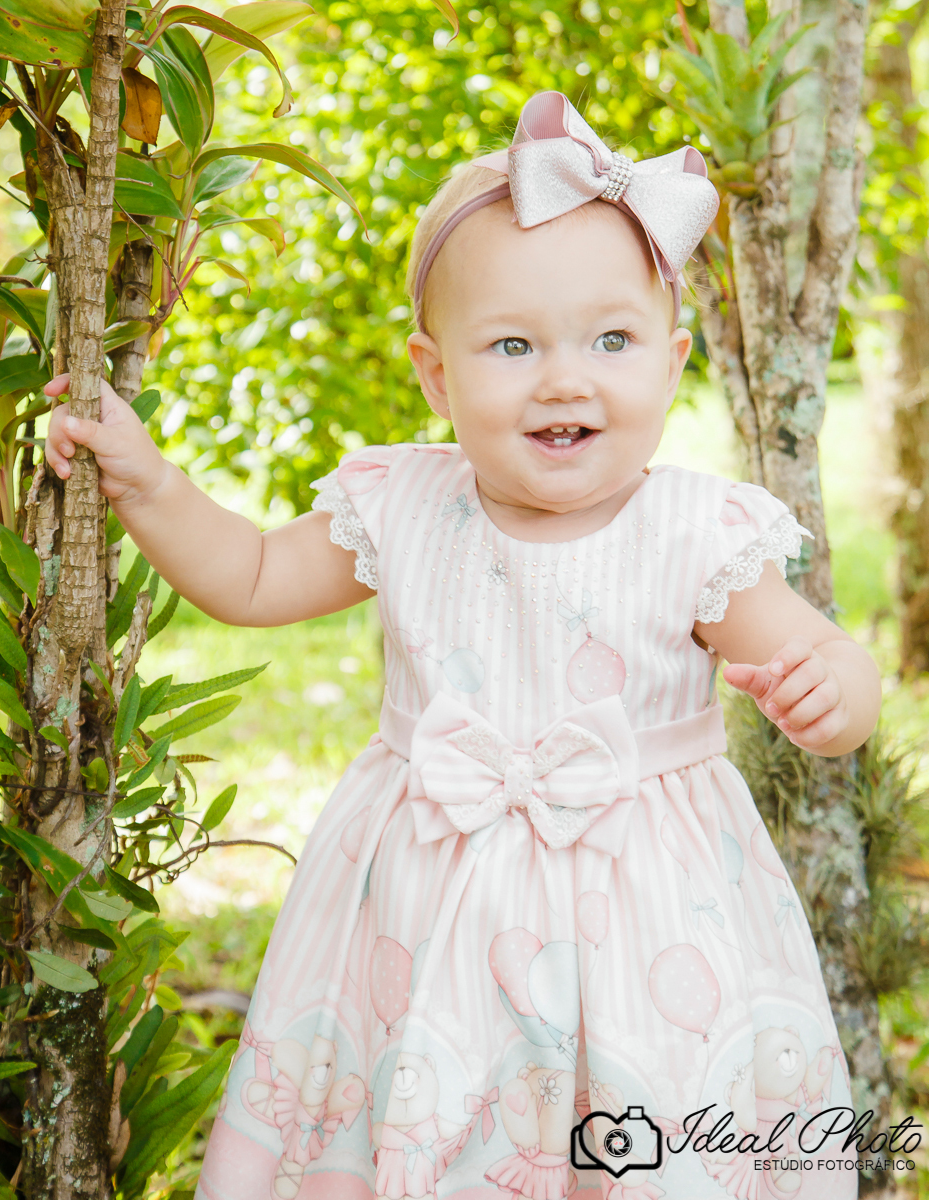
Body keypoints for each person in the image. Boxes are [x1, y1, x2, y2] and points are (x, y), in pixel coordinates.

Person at [45, 91, 878, 1200]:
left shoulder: (691, 535)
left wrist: (835, 690)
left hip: (642, 923)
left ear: (672, 360)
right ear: (436, 374)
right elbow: (248, 576)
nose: (566, 377)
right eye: (512, 345)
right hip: (420, 913)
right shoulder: (405, 505)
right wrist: (147, 482)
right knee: (406, 1109)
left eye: (612, 340)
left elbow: (826, 658)